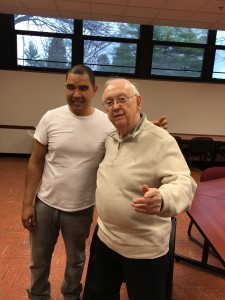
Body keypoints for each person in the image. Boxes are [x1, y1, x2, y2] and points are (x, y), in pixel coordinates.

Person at [21, 64, 169, 300]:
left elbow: (130, 131)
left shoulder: (106, 123)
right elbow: (35, 162)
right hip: (46, 205)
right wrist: (27, 203)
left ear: (94, 90)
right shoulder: (51, 117)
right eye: (70, 87)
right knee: (38, 262)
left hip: (80, 209)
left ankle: (71, 296)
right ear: (65, 88)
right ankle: (37, 296)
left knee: (76, 262)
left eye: (83, 88)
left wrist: (149, 129)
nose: (76, 94)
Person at [83, 78, 197, 300]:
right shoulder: (109, 138)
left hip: (144, 249)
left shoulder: (161, 141)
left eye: (122, 99)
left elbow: (185, 182)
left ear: (138, 102)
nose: (115, 106)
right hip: (106, 239)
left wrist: (163, 198)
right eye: (109, 102)